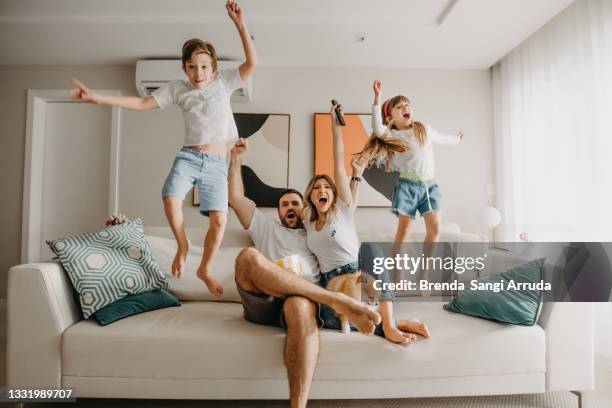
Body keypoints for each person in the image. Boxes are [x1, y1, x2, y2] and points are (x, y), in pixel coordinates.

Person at [69, 1, 256, 296]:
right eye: (192, 67)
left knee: (220, 221)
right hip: (190, 156)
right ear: (184, 68)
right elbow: (143, 103)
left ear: (214, 67)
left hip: (218, 164)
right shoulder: (177, 88)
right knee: (170, 198)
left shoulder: (224, 82)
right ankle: (182, 244)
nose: (199, 73)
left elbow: (251, 64)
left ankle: (204, 268)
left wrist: (240, 24)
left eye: (204, 66)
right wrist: (98, 98)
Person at [228, 138, 381, 408]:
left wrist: (356, 176)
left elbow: (346, 210)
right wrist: (235, 158)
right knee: (247, 256)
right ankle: (338, 301)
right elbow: (236, 198)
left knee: (300, 307)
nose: (290, 207)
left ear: (305, 208)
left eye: (296, 203)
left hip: (301, 300)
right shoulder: (265, 227)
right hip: (264, 297)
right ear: (278, 212)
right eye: (285, 204)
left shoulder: (315, 234)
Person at [302, 102, 431, 344]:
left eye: (327, 187)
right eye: (316, 188)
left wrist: (335, 126)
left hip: (359, 277)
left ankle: (390, 326)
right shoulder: (306, 221)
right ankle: (396, 324)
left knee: (370, 248)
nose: (322, 190)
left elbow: (338, 162)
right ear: (310, 196)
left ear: (333, 195)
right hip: (332, 286)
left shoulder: (343, 210)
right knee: (327, 315)